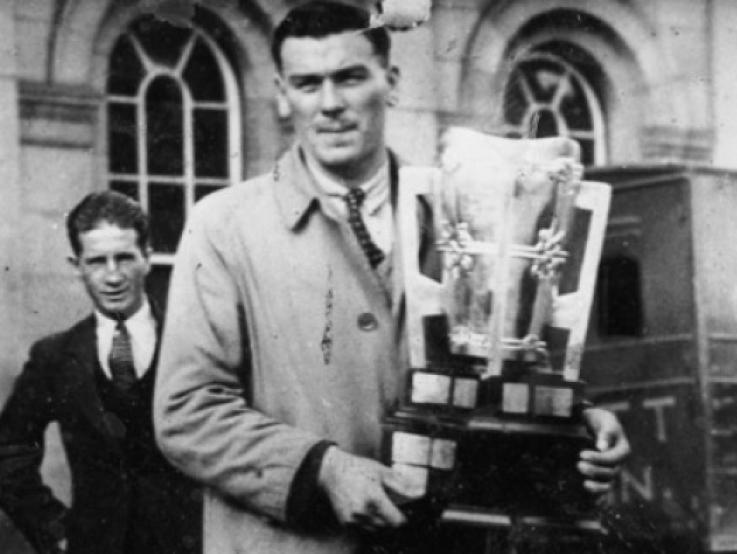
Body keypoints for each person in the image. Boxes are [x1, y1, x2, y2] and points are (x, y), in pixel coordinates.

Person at [153, 2, 630, 553]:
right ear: (283, 95)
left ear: (391, 82)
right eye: (308, 84)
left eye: (350, 78)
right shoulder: (224, 226)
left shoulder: (459, 212)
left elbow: (499, 367)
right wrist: (322, 471)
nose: (330, 104)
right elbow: (186, 411)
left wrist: (574, 428)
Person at [0, 191, 202, 554]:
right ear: (76, 265)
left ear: (147, 258)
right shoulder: (55, 357)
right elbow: (8, 450)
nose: (112, 277)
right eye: (96, 262)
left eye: (124, 258)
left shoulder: (195, 343)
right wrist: (54, 530)